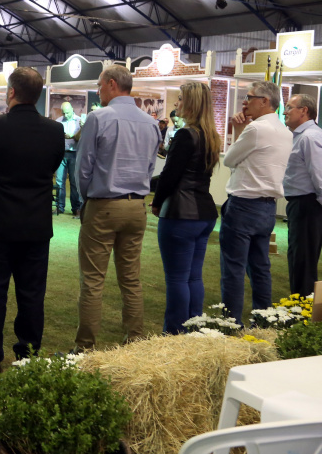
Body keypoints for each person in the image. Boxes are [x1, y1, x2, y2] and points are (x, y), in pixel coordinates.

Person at [0, 67, 65, 372]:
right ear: (38, 95)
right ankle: (28, 354)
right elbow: (52, 166)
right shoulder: (54, 131)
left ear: (11, 92)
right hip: (36, 226)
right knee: (32, 294)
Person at [73, 66, 160, 351]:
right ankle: (134, 339)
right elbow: (150, 167)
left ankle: (85, 346)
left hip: (104, 205)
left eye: (99, 86)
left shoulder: (99, 117)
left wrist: (88, 199)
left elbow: (83, 167)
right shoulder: (150, 122)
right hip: (137, 207)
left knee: (93, 280)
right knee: (131, 278)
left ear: (111, 84)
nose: (98, 91)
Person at [220, 81, 292, 326]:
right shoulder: (285, 131)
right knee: (260, 266)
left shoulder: (256, 129)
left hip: (243, 205)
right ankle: (263, 320)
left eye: (250, 97)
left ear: (265, 101)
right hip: (267, 206)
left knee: (234, 269)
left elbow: (229, 159)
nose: (245, 101)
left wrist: (239, 130)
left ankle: (231, 324)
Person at [151, 82, 221, 334]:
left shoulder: (185, 135)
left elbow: (170, 175)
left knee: (177, 278)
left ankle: (174, 332)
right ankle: (193, 326)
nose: (176, 103)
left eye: (180, 99)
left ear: (190, 103)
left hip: (180, 214)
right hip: (204, 213)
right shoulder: (211, 136)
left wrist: (157, 202)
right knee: (193, 276)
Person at [283, 94, 322, 296]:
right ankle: (300, 305)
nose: (285, 111)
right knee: (301, 260)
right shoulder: (308, 135)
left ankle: (301, 310)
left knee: (303, 262)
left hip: (307, 204)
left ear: (304, 110)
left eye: (289, 107)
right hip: (306, 204)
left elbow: (320, 176)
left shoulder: (309, 137)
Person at [55, 101, 82, 218]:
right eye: (64, 113)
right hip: (62, 153)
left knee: (74, 182)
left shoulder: (80, 121)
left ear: (72, 109)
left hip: (75, 153)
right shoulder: (59, 121)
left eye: (68, 112)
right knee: (59, 181)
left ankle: (76, 208)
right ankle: (59, 207)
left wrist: (73, 135)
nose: (66, 115)